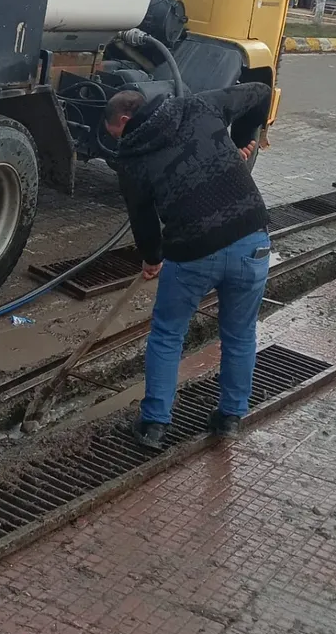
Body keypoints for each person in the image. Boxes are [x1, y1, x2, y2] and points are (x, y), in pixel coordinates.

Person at [104, 83, 272, 449]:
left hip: (193, 252)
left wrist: (151, 259)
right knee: (240, 334)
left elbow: (143, 219)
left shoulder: (131, 156)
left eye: (114, 133)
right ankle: (230, 417)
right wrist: (245, 140)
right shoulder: (198, 105)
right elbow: (260, 92)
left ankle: (154, 425)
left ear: (124, 119)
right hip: (251, 240)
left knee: (167, 334)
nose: (117, 141)